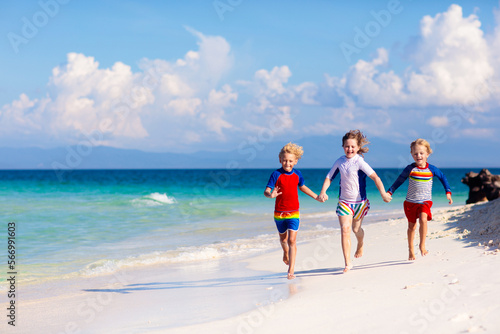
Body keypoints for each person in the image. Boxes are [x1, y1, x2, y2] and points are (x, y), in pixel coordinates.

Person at [318, 130, 391, 273]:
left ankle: (361, 243)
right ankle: (347, 263)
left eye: (352, 146)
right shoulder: (339, 162)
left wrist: (383, 193)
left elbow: (376, 178)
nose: (349, 149)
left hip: (360, 203)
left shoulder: (360, 162)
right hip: (344, 202)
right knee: (345, 229)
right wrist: (323, 192)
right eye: (347, 146)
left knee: (356, 229)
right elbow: (329, 177)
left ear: (357, 147)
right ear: (343, 146)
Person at [387, 138, 453, 261]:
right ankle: (411, 249)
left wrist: (448, 192)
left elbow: (443, 177)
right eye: (415, 153)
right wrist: (390, 191)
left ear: (427, 154)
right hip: (410, 202)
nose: (418, 156)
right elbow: (399, 180)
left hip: (425, 201)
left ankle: (422, 245)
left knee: (423, 219)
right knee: (411, 226)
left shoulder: (432, 169)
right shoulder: (410, 169)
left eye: (421, 153)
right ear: (412, 154)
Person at [264, 142, 322, 280]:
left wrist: (316, 197)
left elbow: (302, 187)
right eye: (284, 160)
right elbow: (267, 190)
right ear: (280, 160)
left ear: (296, 161)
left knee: (292, 240)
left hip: (294, 212)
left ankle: (291, 271)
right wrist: (270, 195)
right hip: (279, 213)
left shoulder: (298, 174)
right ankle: (285, 252)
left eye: (290, 161)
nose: (287, 163)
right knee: (283, 239)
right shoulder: (276, 174)